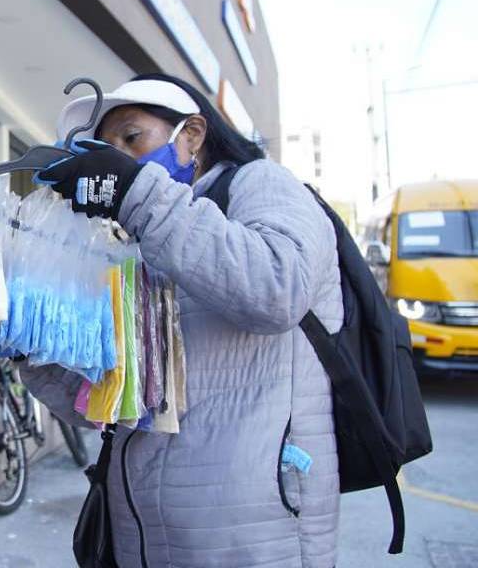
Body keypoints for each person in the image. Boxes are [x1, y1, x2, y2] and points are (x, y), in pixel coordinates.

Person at [24, 73, 342, 567]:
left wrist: (136, 194)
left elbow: (279, 289)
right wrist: (30, 344)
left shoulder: (259, 184)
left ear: (192, 134)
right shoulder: (137, 241)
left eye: (132, 139)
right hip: (143, 530)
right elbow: (104, 402)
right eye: (108, 151)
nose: (124, 160)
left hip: (250, 532)